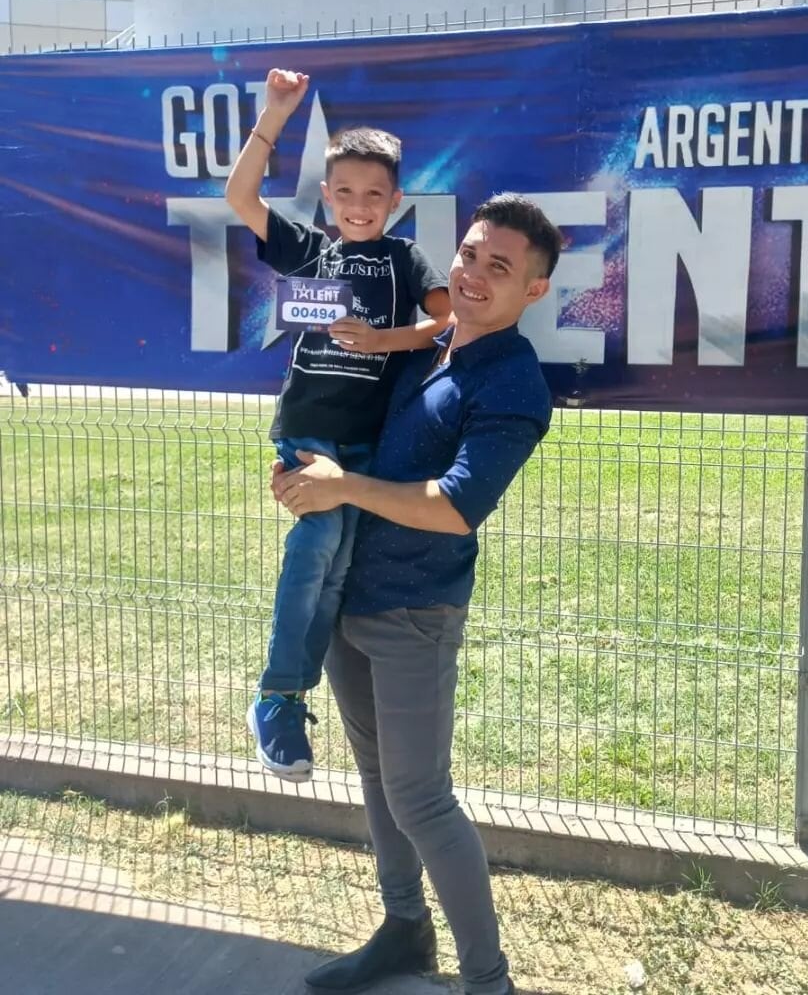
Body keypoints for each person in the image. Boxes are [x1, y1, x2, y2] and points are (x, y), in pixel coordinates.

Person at [273, 193, 562, 995]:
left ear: (533, 290)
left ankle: (487, 981)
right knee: (377, 783)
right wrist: (303, 480)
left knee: (422, 799)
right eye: (470, 253)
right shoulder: (421, 351)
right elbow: (342, 443)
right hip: (348, 603)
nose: (473, 274)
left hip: (414, 614)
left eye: (499, 267)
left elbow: (456, 505)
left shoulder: (513, 382)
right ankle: (405, 931)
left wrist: (347, 489)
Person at [226, 68, 452, 782]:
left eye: (374, 195)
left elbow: (445, 320)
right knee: (319, 536)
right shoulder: (309, 249)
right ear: (327, 196)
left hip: (367, 441)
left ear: (395, 200)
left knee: (337, 568)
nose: (359, 206)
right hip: (308, 427)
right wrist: (275, 115)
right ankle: (278, 696)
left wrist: (384, 340)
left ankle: (291, 697)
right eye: (345, 193)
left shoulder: (403, 257)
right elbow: (240, 197)